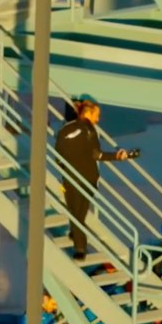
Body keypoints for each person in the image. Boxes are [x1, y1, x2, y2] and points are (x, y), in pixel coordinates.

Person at [55, 101, 130, 260]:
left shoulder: (66, 130)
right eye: (97, 115)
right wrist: (116, 157)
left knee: (76, 212)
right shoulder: (89, 130)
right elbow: (97, 155)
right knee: (79, 213)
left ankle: (78, 240)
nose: (98, 119)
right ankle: (79, 243)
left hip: (72, 178)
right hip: (89, 178)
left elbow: (59, 153)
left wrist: (63, 167)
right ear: (88, 113)